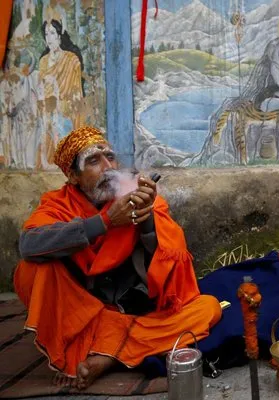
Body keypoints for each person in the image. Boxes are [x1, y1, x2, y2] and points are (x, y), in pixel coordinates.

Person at [14, 126, 222, 390]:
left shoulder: (131, 193)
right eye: (93, 161)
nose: (108, 167)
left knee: (209, 308)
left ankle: (106, 358)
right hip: (80, 315)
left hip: (130, 310)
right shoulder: (58, 205)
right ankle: (112, 349)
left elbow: (166, 264)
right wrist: (105, 222)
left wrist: (145, 219)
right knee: (31, 268)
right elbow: (29, 244)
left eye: (110, 158)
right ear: (73, 176)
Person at [37, 19, 84, 169]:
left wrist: (65, 104)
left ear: (59, 36)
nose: (49, 38)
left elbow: (77, 91)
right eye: (46, 34)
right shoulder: (43, 62)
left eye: (52, 33)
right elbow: (40, 88)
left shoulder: (71, 59)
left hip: (65, 111)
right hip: (48, 111)